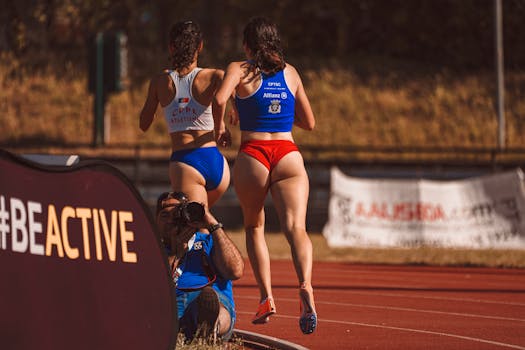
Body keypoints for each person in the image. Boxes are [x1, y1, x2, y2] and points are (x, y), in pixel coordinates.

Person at [214, 17, 317, 334]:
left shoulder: (240, 69)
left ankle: (266, 297)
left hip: (253, 155)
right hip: (288, 154)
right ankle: (306, 286)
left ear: (247, 45)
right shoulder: (291, 72)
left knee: (254, 226)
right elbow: (309, 122)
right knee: (295, 228)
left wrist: (221, 127)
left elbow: (219, 97)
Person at [140, 20, 231, 207]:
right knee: (200, 223)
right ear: (200, 46)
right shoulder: (215, 76)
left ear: (171, 47)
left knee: (196, 227)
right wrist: (221, 124)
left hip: (186, 164)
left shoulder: (160, 82)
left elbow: (143, 124)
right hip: (216, 162)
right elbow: (228, 99)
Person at [156, 191, 244, 343]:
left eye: (177, 214)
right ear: (155, 221)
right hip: (172, 305)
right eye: (165, 215)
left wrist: (213, 225)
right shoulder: (152, 250)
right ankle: (198, 331)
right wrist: (176, 255)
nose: (171, 220)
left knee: (212, 305)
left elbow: (235, 270)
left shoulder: (208, 241)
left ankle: (210, 328)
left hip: (209, 299)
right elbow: (153, 289)